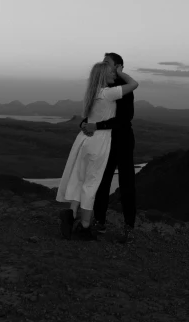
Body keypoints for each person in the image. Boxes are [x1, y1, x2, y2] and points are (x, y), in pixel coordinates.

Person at [56, 60, 138, 241]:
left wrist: (89, 125)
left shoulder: (91, 93)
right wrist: (121, 72)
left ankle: (71, 213)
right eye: (110, 71)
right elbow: (134, 84)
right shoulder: (109, 93)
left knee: (79, 178)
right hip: (99, 142)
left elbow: (88, 118)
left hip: (84, 140)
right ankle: (85, 226)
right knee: (92, 183)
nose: (113, 74)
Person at [80, 52, 136, 244]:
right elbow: (96, 112)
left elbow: (124, 119)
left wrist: (96, 126)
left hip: (122, 141)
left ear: (118, 67)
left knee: (127, 183)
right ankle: (100, 222)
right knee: (102, 183)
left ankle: (129, 227)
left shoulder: (123, 89)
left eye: (107, 62)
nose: (103, 65)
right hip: (105, 141)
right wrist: (85, 123)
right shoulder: (103, 86)